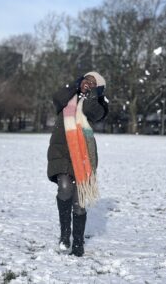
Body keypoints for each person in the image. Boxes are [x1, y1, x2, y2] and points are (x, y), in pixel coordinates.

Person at [47, 71, 109, 257]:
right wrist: (75, 87)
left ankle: (78, 242)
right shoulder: (67, 97)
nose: (87, 83)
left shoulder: (99, 105)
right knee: (65, 187)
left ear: (98, 88)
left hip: (83, 155)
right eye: (85, 79)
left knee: (79, 201)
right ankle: (65, 235)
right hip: (61, 151)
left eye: (92, 82)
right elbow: (56, 97)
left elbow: (93, 112)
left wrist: (92, 95)